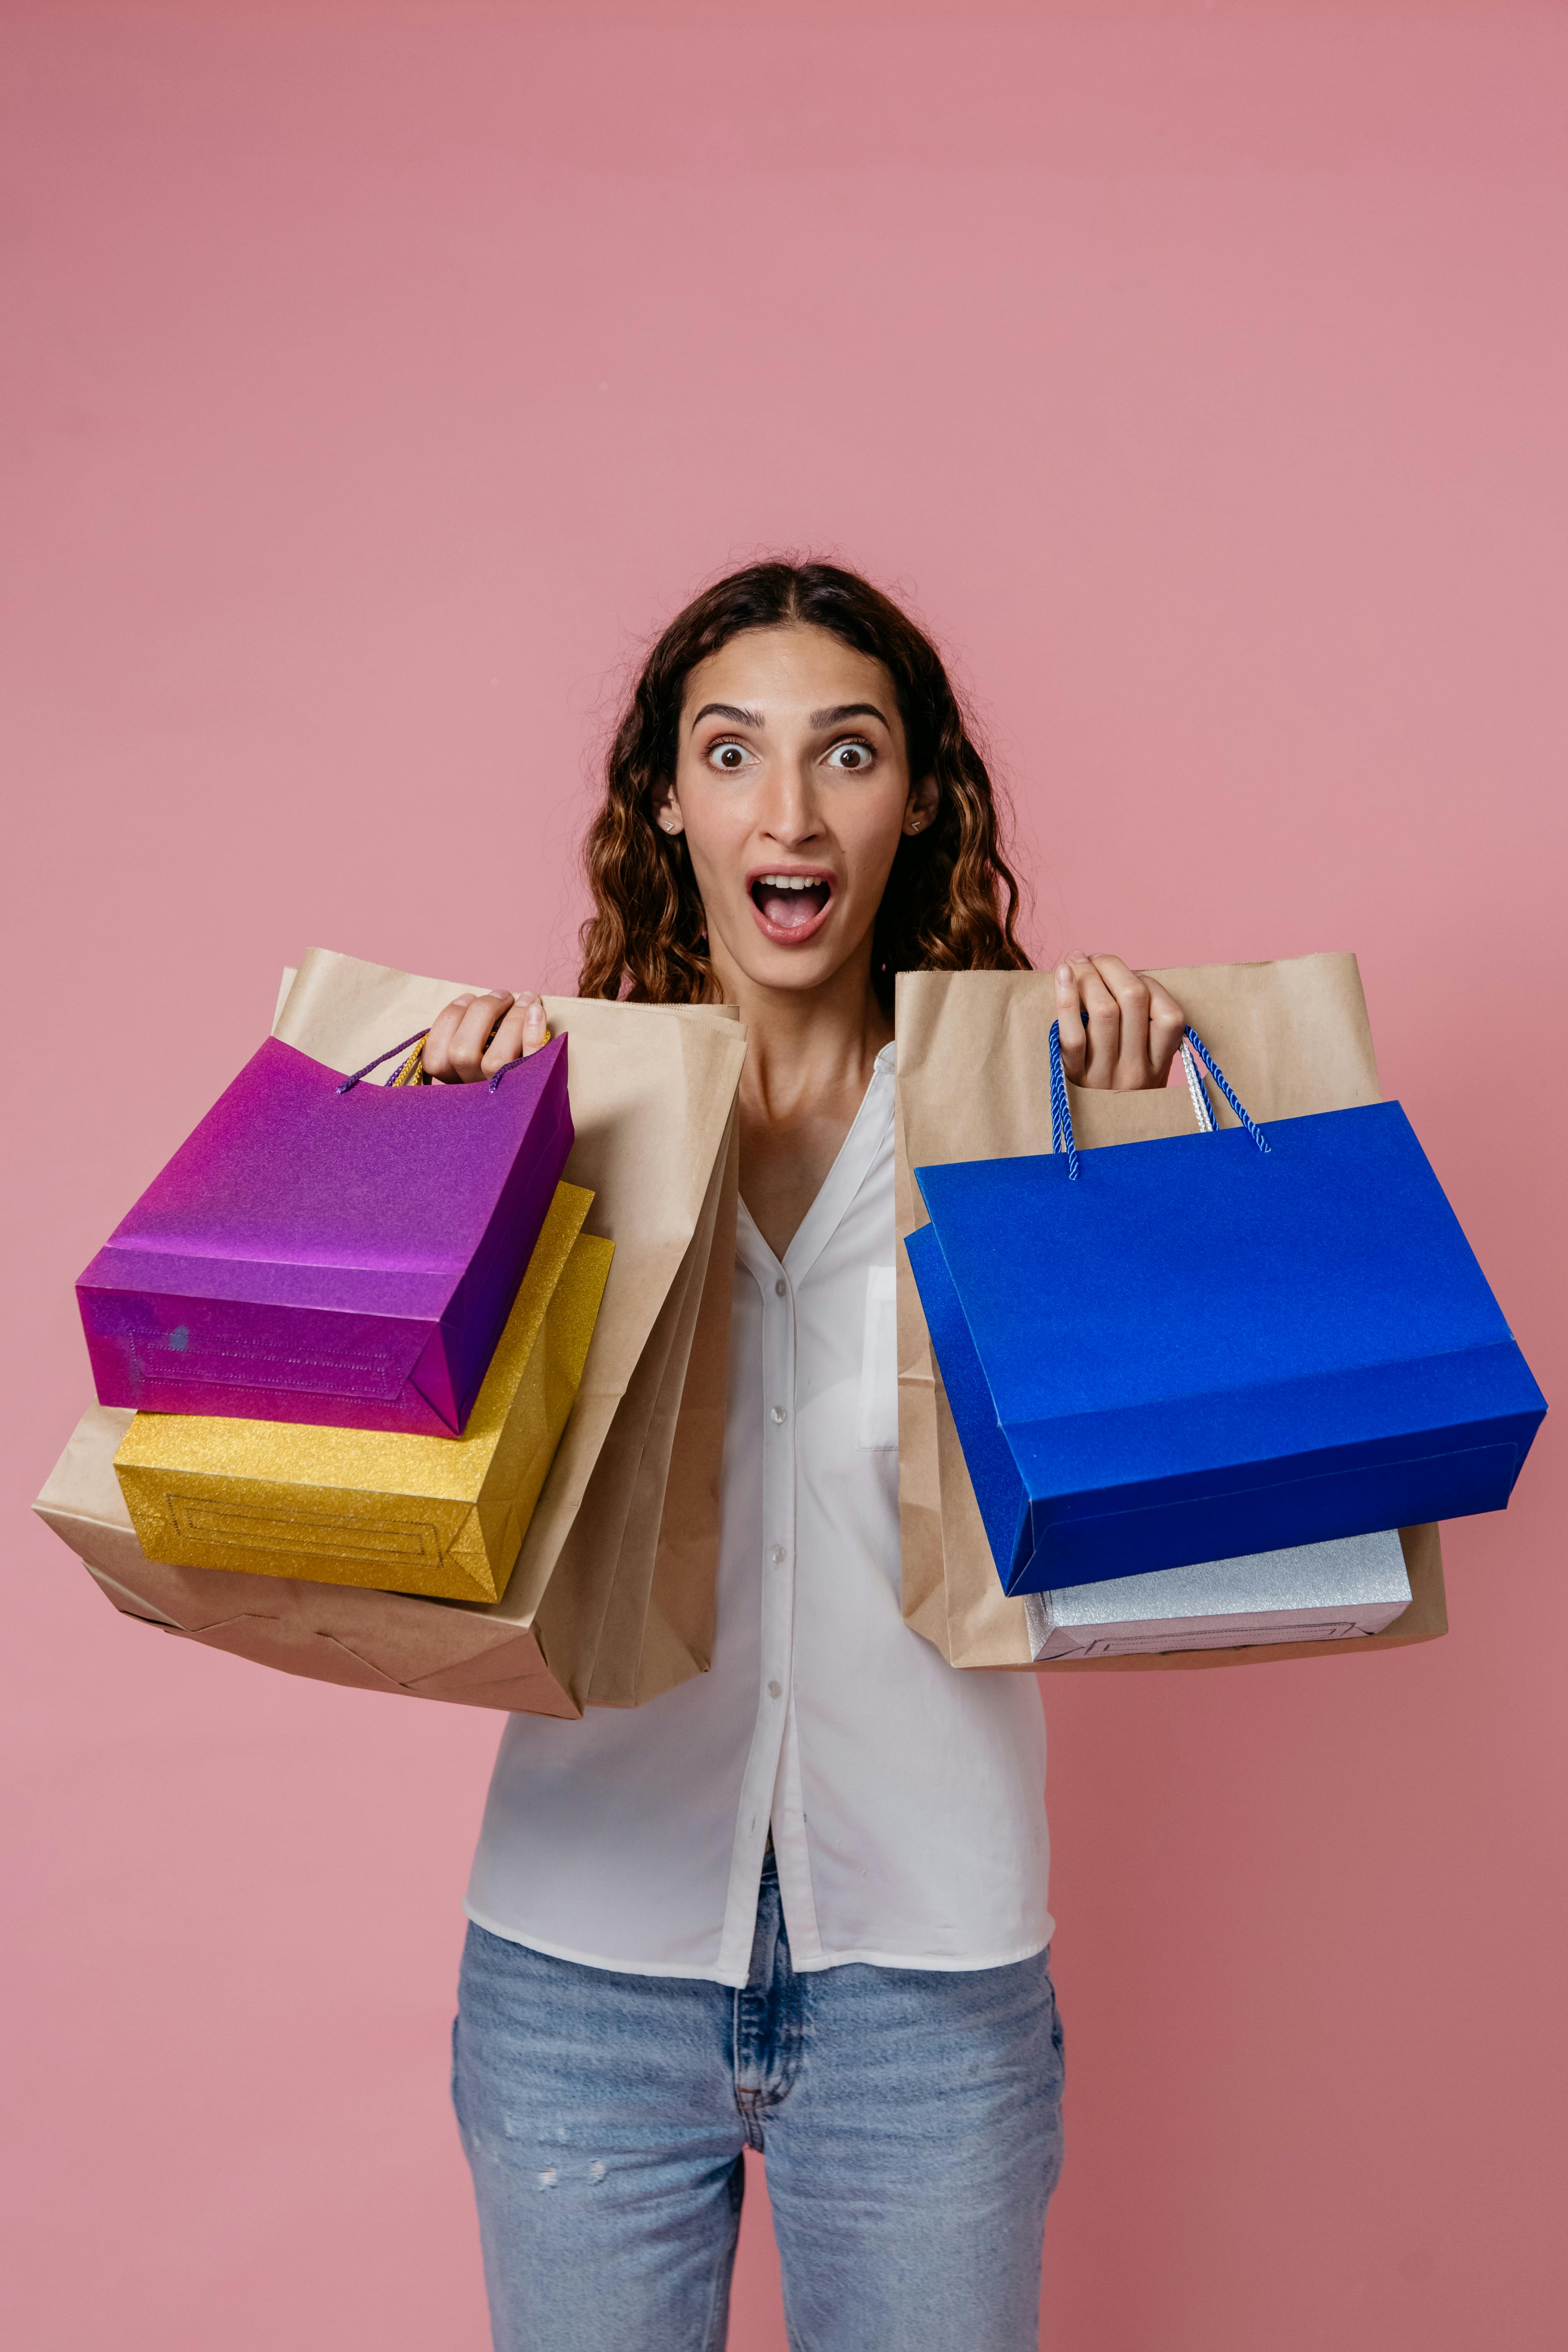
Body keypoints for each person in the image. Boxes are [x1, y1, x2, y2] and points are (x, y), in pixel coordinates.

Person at [423, 561, 1187, 2352]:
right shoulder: (558, 1113)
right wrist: (441, 1160)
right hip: (579, 1972)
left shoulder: (1017, 1121)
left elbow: (1135, 1480)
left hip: (932, 1982)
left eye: (846, 752)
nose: (788, 808)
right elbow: (440, 1503)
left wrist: (1131, 1137)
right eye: (731, 753)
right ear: (665, 803)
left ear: (916, 795)